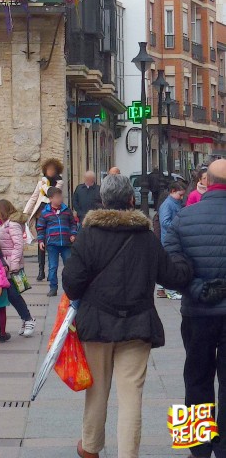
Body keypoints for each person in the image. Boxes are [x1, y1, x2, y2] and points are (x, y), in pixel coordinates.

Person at [63, 172, 191, 458]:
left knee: (97, 390)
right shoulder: (145, 237)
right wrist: (183, 258)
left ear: (103, 201)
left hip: (96, 324)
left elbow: (72, 284)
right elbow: (172, 276)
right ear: (131, 200)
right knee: (131, 395)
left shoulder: (89, 236)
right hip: (137, 324)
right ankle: (127, 454)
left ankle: (92, 447)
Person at [164, 158, 226, 457]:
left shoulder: (184, 218)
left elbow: (171, 269)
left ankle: (197, 447)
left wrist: (198, 289)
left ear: (207, 182)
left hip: (197, 311)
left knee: (196, 377)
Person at [0, 199, 36, 337]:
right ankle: (25, 318)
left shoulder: (12, 224)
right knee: (13, 295)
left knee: (13, 294)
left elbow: (18, 245)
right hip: (6, 264)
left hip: (11, 265)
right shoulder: (6, 224)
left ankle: (28, 319)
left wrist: (14, 264)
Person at [23, 157, 64, 281]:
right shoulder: (41, 182)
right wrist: (25, 212)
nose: (50, 171)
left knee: (51, 243)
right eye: (48, 169)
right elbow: (34, 197)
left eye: (52, 169)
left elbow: (52, 192)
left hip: (53, 216)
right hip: (40, 215)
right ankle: (41, 270)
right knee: (41, 243)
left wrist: (44, 185)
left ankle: (52, 271)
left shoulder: (59, 182)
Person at [36, 185, 77, 297]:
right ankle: (53, 288)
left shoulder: (66, 211)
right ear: (51, 199)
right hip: (52, 244)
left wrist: (73, 234)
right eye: (57, 197)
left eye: (60, 197)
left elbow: (73, 224)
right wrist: (41, 241)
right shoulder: (45, 213)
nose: (60, 199)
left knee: (68, 266)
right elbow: (40, 228)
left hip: (66, 243)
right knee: (53, 267)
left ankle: (70, 288)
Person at [158, 182, 186, 300]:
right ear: (173, 191)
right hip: (169, 239)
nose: (182, 197)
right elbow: (164, 222)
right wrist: (178, 227)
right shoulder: (168, 204)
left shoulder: (175, 203)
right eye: (180, 194)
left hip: (171, 238)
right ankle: (170, 291)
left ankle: (163, 289)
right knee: (170, 264)